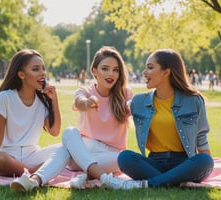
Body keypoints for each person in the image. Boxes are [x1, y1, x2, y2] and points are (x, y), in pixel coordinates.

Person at [10, 46, 144, 192]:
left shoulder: (125, 93)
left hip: (111, 155)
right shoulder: (85, 91)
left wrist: (133, 106)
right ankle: (104, 179)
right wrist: (87, 102)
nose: (110, 73)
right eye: (105, 68)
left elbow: (130, 105)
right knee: (69, 132)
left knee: (122, 158)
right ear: (94, 71)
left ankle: (42, 180)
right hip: (83, 148)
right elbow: (80, 101)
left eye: (115, 69)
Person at [117, 48, 214, 188]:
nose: (144, 73)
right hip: (154, 163)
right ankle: (174, 181)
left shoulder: (193, 100)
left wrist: (206, 166)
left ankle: (148, 184)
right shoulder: (138, 102)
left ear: (166, 72)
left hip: (184, 163)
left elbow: (201, 138)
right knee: (124, 157)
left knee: (205, 160)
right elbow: (114, 107)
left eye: (150, 68)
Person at [0, 49, 61, 177]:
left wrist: (54, 100)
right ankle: (37, 172)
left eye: (43, 68)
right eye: (36, 69)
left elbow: (54, 132)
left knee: (64, 149)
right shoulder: (6, 97)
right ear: (21, 75)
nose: (42, 73)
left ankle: (30, 171)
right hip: (9, 156)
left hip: (33, 155)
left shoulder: (43, 100)